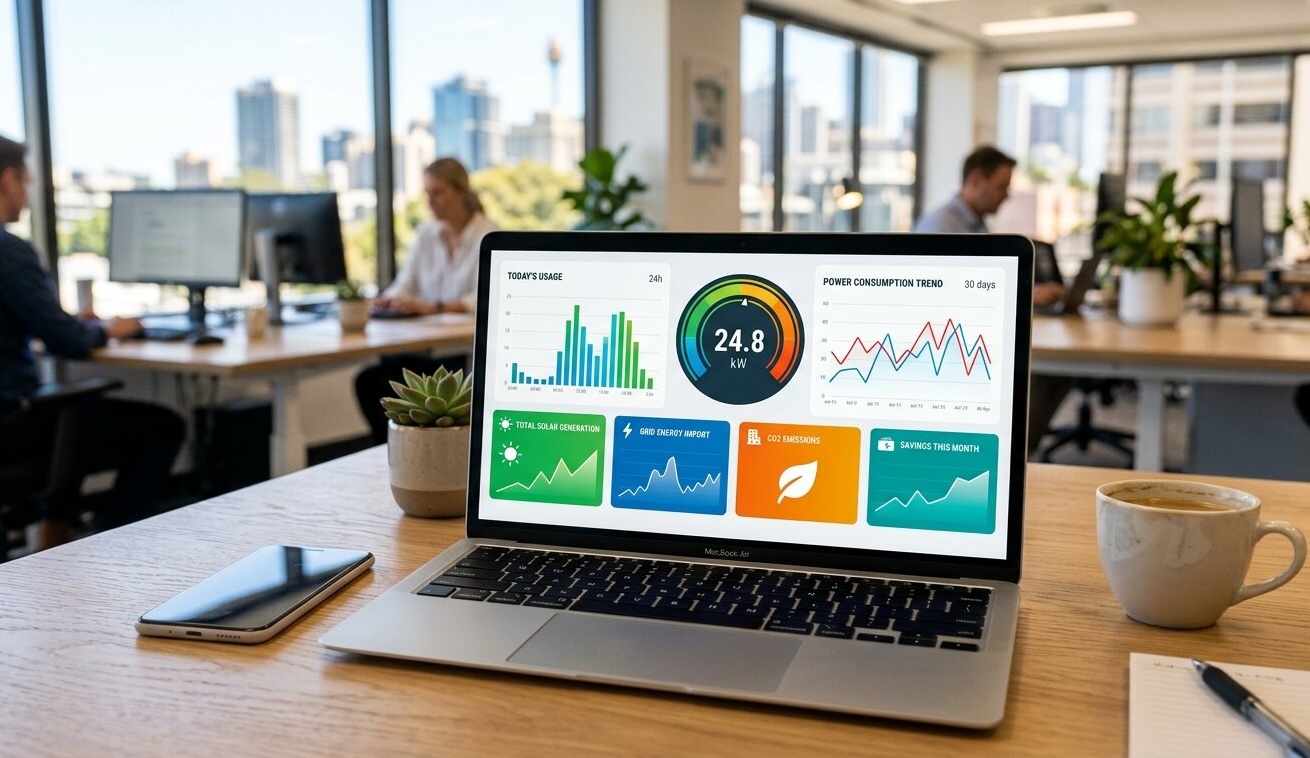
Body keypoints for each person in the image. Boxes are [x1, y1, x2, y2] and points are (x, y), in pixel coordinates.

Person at [0, 134, 185, 547]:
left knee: (75, 413)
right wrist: (105, 329)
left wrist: (67, 323)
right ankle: (110, 548)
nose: (27, 192)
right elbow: (69, 342)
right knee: (162, 426)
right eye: (27, 182)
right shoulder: (8, 250)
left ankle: (56, 527)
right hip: (11, 424)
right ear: (8, 180)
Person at [912, 145, 1070, 455]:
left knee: (1061, 370)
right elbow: (938, 296)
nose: (1007, 196)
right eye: (1002, 187)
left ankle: (1024, 447)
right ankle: (1019, 449)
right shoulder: (941, 226)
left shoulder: (973, 225)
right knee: (1047, 371)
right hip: (949, 347)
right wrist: (1024, 293)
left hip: (974, 337)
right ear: (974, 181)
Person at [354, 157, 497, 443]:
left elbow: (486, 297)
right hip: (424, 343)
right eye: (428, 193)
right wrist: (387, 301)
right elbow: (405, 285)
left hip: (457, 353)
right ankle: (398, 454)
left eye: (438, 192)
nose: (431, 201)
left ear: (461, 192)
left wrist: (436, 308)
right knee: (369, 381)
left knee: (376, 382)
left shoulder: (488, 234)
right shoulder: (426, 234)